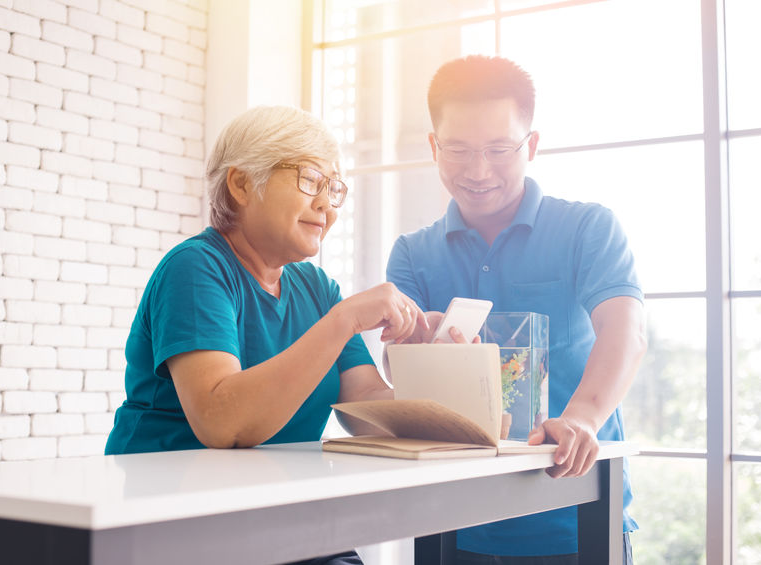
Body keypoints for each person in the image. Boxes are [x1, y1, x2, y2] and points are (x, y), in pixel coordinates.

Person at [105, 105, 427, 565]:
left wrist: (436, 378)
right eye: (310, 180)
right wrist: (343, 322)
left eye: (333, 189)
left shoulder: (316, 287)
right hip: (179, 524)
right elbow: (223, 422)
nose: (327, 205)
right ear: (241, 184)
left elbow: (366, 404)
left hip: (279, 515)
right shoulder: (196, 268)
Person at [386, 55, 647, 564]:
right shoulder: (412, 254)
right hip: (448, 526)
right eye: (457, 149)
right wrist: (422, 345)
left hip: (577, 517)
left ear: (531, 146)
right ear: (434, 147)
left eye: (499, 149)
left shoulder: (588, 229)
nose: (477, 171)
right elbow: (397, 371)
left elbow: (626, 332)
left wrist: (584, 420)